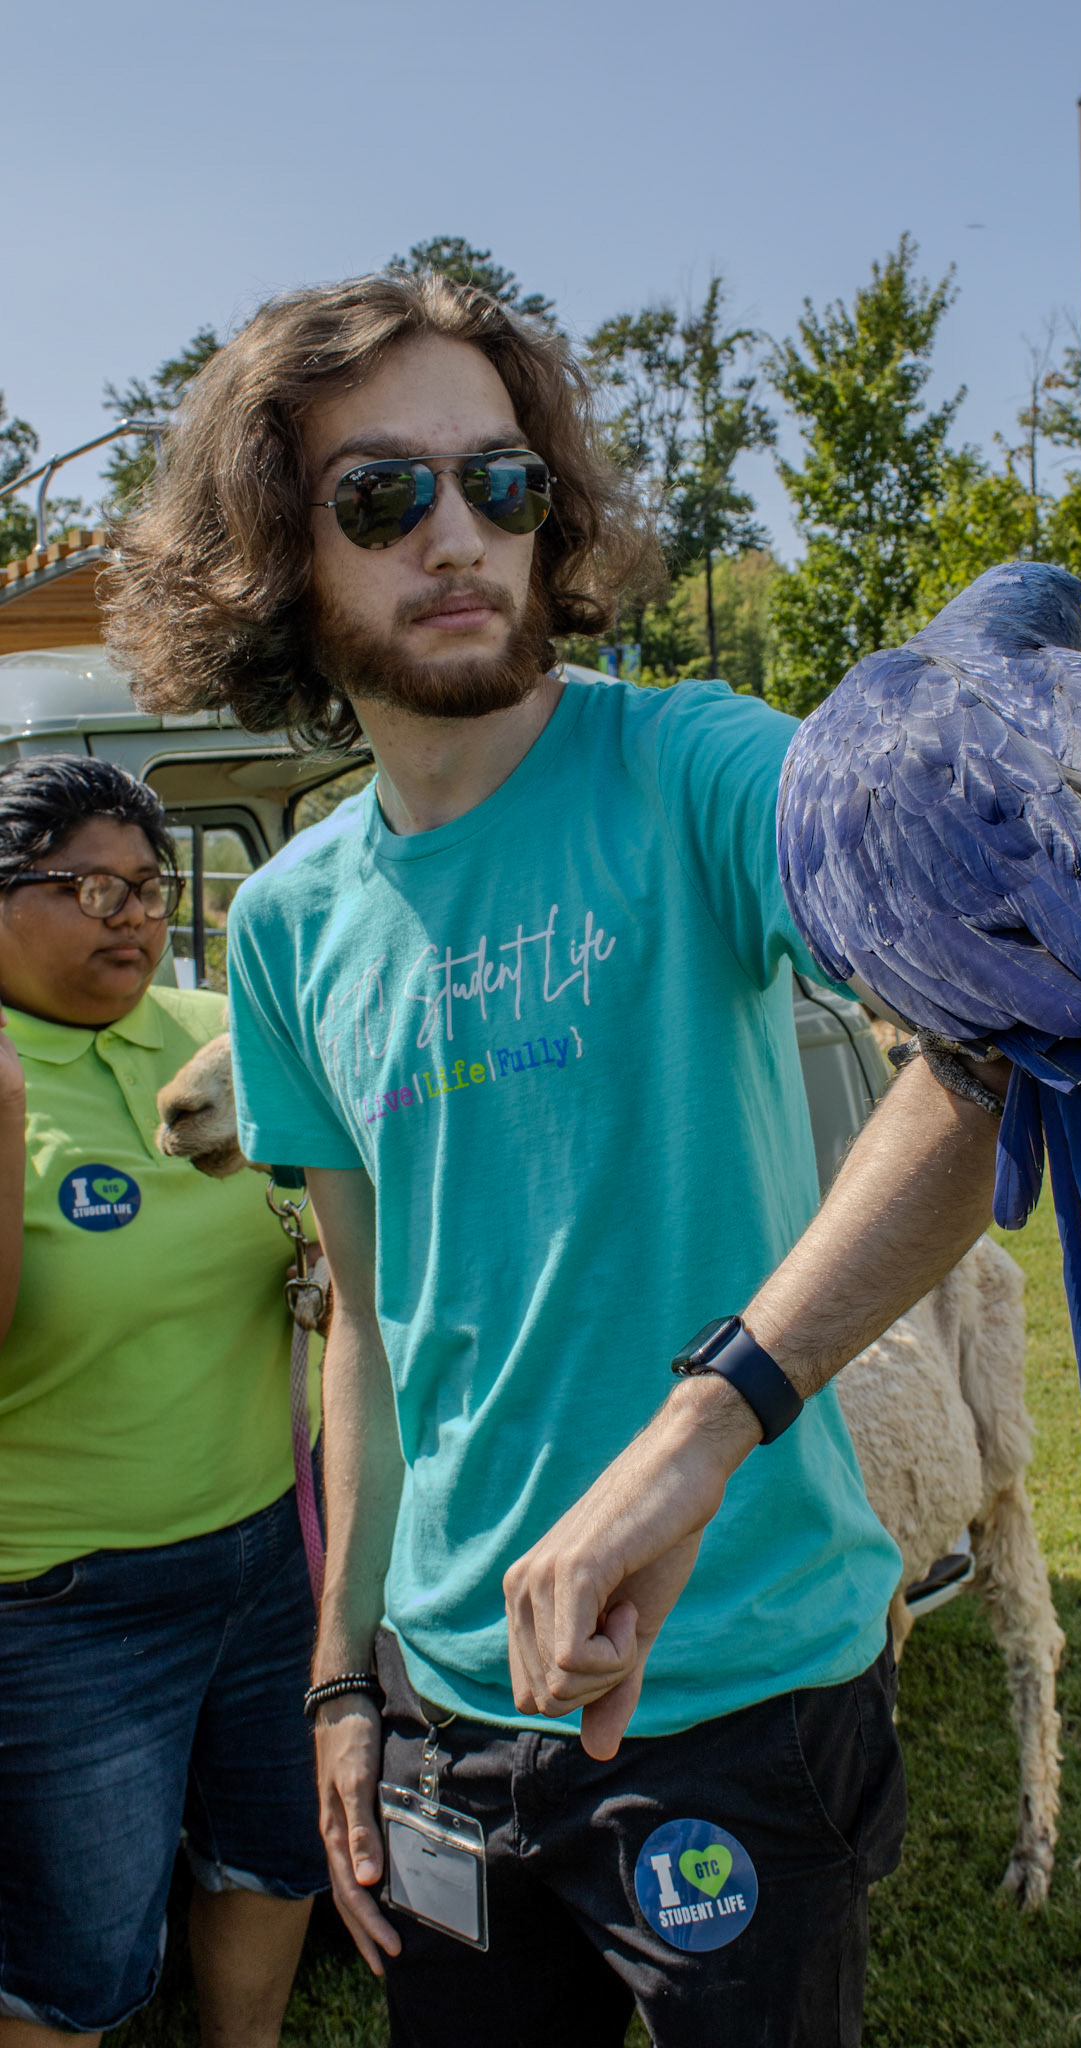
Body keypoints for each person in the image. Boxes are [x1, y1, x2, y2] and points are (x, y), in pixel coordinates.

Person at [105, 272, 1005, 2048]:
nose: (459, 536)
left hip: (742, 1687)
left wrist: (705, 1424)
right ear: (274, 556)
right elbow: (366, 1331)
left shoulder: (696, 768)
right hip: (447, 1712)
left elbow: (991, 1059)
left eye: (501, 483)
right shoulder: (288, 924)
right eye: (382, 495)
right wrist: (344, 1683)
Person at [0, 759, 326, 2048]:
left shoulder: (216, 1036)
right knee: (72, 1956)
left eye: (149, 887)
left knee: (278, 1853)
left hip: (272, 1552)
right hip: (65, 1599)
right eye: (91, 888)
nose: (133, 914)